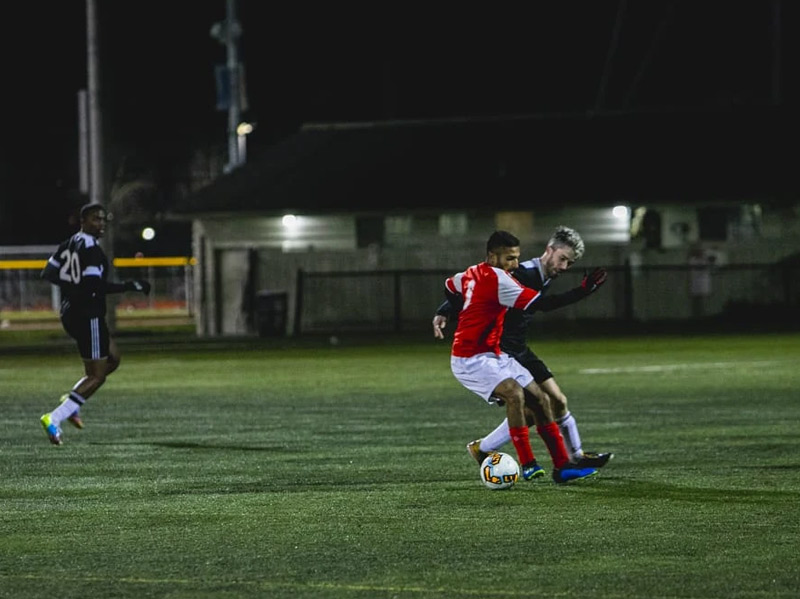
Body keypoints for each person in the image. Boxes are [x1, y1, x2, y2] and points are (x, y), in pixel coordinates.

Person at [434, 225, 613, 473]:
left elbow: (462, 286)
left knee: (550, 401)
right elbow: (481, 291)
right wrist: (583, 291)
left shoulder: (538, 274)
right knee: (533, 405)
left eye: (569, 264)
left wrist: (445, 310)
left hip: (518, 347)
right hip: (500, 349)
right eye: (562, 259)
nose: (564, 267)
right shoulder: (520, 274)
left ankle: (571, 459)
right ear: (549, 250)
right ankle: (512, 457)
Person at [38, 203, 151, 445]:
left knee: (114, 358)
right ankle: (55, 417)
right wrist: (130, 286)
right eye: (95, 219)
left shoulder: (68, 244)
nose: (101, 224)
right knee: (97, 376)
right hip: (87, 314)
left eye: (103, 220)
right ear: (83, 221)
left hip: (70, 312)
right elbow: (94, 287)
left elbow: (48, 273)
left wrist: (72, 289)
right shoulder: (92, 252)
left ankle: (71, 404)